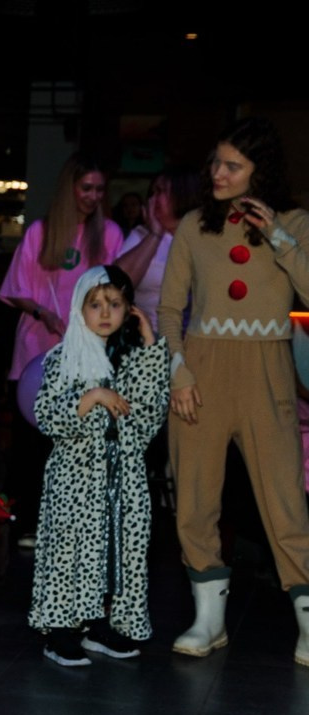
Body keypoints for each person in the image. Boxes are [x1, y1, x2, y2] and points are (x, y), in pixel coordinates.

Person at [158, 117, 309, 665]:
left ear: (258, 172)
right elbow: (171, 308)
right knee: (195, 498)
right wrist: (178, 368)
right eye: (215, 162)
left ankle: (308, 623)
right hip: (200, 372)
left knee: (285, 502)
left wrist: (281, 240)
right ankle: (208, 620)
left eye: (232, 165)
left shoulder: (294, 222)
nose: (217, 173)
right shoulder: (194, 225)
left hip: (267, 370)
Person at [28, 266, 169, 665]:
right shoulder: (63, 357)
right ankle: (60, 630)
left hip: (122, 478)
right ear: (79, 308)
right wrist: (91, 397)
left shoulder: (130, 360)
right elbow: (46, 415)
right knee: (70, 550)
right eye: (96, 304)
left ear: (130, 309)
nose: (105, 313)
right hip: (76, 478)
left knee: (116, 551)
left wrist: (148, 343)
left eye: (116, 304)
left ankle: (98, 624)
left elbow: (148, 418)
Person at [0, 154, 124, 383]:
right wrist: (43, 313)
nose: (94, 196)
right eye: (86, 188)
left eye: (99, 189)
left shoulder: (111, 233)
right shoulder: (39, 232)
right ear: (70, 188)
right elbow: (15, 290)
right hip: (39, 342)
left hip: (89, 346)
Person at [114, 167, 204, 333]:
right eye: (152, 193)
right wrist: (155, 234)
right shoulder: (140, 235)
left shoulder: (203, 238)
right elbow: (117, 284)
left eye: (160, 192)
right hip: (148, 339)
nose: (151, 200)